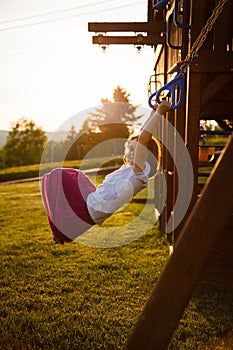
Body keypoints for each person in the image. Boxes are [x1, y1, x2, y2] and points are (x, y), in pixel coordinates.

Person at [41, 101, 170, 244]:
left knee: (59, 176)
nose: (132, 152)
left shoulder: (139, 172)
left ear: (147, 155)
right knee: (60, 178)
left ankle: (58, 231)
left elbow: (143, 138)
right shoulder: (132, 169)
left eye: (136, 150)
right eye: (130, 149)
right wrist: (153, 113)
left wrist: (159, 114)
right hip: (91, 199)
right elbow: (141, 136)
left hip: (91, 208)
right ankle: (59, 232)